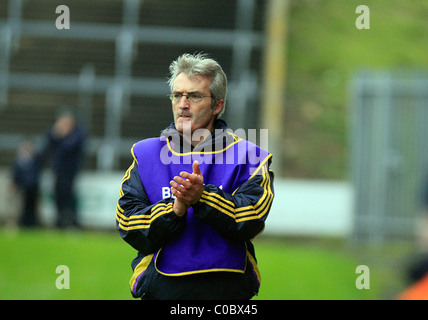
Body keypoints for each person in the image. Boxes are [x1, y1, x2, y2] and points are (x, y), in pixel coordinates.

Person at [116, 53, 274, 300]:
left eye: (195, 96)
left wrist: (204, 198)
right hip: (162, 290)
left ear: (218, 105)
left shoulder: (251, 158)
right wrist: (175, 209)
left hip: (227, 292)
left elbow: (251, 218)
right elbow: (129, 224)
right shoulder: (145, 154)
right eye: (177, 95)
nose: (183, 104)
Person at [43, 106, 86, 228]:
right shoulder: (55, 132)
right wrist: (56, 134)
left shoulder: (78, 132)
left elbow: (69, 147)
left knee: (68, 195)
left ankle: (71, 220)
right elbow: (47, 144)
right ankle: (60, 220)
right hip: (58, 170)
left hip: (70, 171)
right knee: (58, 194)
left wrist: (63, 135)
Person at [11, 138, 41, 227]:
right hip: (23, 186)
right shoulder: (19, 160)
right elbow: (16, 173)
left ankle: (32, 222)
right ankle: (24, 222)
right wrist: (14, 184)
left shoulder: (34, 159)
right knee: (23, 206)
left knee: (32, 206)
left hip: (33, 186)